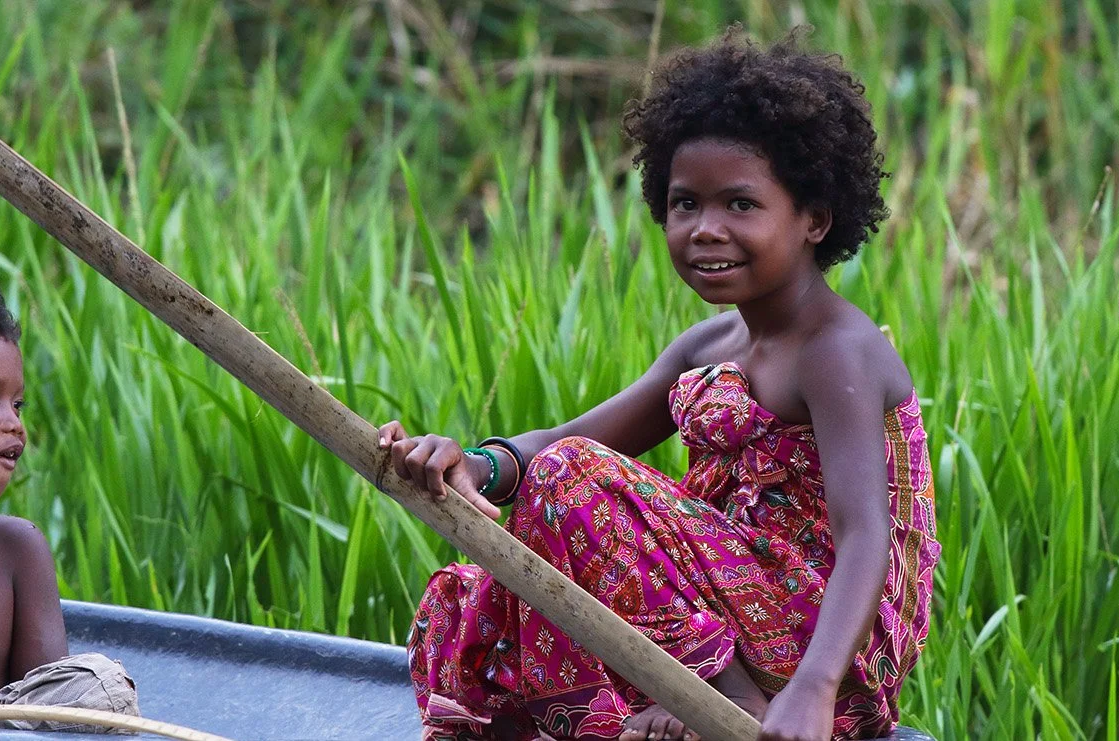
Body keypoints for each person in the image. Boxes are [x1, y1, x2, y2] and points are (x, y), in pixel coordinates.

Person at [383, 29, 940, 741]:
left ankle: (727, 703)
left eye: (740, 205)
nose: (705, 230)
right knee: (475, 604)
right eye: (685, 205)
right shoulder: (708, 347)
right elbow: (560, 438)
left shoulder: (836, 351)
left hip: (822, 656)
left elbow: (865, 534)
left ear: (814, 219)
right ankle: (669, 700)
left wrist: (815, 687)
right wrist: (476, 464)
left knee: (568, 479)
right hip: (730, 626)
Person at [0, 271, 138, 732]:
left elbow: (48, 719)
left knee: (96, 688)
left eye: (18, 404)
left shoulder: (14, 550)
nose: (15, 424)